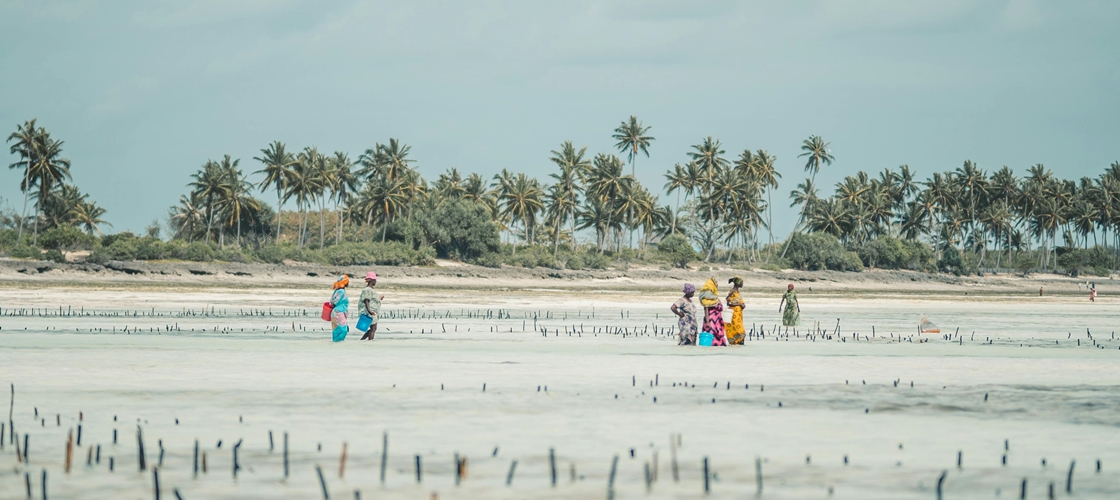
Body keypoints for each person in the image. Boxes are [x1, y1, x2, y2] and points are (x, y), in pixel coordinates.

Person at [698, 278, 727, 346]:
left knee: (718, 335)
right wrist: (708, 322)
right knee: (711, 335)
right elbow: (706, 308)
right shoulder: (707, 296)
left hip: (717, 320)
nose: (717, 285)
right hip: (711, 320)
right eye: (715, 283)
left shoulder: (713, 296)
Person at [359, 271, 383, 340]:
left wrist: (379, 299)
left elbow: (372, 299)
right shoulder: (368, 290)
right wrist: (369, 311)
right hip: (370, 312)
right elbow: (366, 301)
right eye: (375, 280)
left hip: (372, 311)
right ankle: (370, 342)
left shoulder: (371, 290)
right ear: (372, 280)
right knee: (373, 328)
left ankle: (362, 340)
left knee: (373, 328)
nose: (376, 281)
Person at [329, 275, 350, 342]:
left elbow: (331, 302)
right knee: (344, 330)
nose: (348, 283)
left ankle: (335, 344)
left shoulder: (337, 291)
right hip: (339, 312)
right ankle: (338, 343)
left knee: (337, 330)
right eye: (347, 281)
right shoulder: (341, 291)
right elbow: (334, 302)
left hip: (336, 312)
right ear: (345, 282)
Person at [725, 276, 745, 345]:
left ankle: (738, 345)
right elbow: (729, 303)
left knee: (740, 332)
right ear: (738, 283)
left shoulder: (737, 292)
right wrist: (740, 304)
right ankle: (737, 343)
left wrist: (742, 305)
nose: (742, 284)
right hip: (733, 316)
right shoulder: (732, 292)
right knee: (740, 331)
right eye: (741, 282)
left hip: (738, 315)